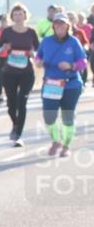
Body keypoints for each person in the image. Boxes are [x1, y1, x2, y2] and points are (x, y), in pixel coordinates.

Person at [35, 13, 87, 158]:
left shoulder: (74, 42)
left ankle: (66, 146)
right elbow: (38, 56)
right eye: (56, 23)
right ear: (53, 26)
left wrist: (71, 65)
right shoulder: (46, 41)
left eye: (62, 23)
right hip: (51, 83)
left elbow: (83, 62)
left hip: (71, 84)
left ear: (67, 26)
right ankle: (56, 141)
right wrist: (38, 62)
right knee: (49, 116)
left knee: (67, 117)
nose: (59, 26)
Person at [0, 3, 40, 147]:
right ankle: (16, 124)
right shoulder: (7, 32)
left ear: (25, 16)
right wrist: (5, 47)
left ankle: (18, 135)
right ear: (12, 17)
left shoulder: (31, 32)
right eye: (15, 14)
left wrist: (34, 54)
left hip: (27, 72)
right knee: (11, 105)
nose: (18, 17)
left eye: (20, 14)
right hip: (9, 72)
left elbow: (39, 51)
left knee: (22, 102)